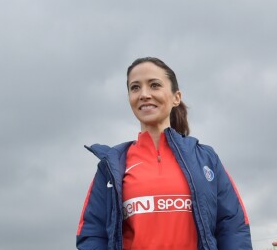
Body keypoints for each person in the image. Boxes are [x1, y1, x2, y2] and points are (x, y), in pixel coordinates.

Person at [76, 57, 253, 249]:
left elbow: (233, 227)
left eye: (154, 85)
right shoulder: (111, 166)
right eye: (135, 88)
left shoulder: (207, 159)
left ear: (176, 97)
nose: (144, 94)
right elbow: (92, 234)